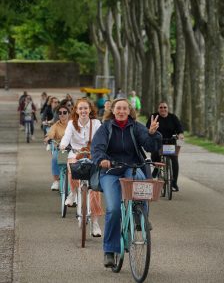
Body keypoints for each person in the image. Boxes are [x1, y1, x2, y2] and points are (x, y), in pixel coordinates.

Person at [91, 98, 162, 267]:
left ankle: (140, 216)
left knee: (140, 180)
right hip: (110, 171)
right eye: (119, 108)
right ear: (113, 111)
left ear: (129, 111)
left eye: (125, 108)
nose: (122, 111)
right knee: (114, 208)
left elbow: (150, 146)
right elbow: (97, 148)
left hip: (132, 166)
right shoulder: (105, 128)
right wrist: (102, 159)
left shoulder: (136, 127)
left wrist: (152, 134)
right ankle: (109, 250)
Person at [60, 98, 104, 237]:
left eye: (86, 108)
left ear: (90, 110)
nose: (83, 111)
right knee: (72, 165)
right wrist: (62, 145)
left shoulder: (96, 123)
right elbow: (66, 138)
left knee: (95, 189)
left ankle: (95, 223)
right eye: (81, 108)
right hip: (76, 154)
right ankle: (73, 192)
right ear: (77, 111)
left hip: (92, 155)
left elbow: (102, 138)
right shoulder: (71, 124)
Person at [146, 101, 184, 192]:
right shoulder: (154, 116)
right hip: (158, 142)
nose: (163, 109)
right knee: (155, 154)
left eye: (165, 107)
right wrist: (151, 132)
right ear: (158, 109)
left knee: (174, 160)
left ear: (167, 109)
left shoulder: (173, 117)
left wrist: (180, 134)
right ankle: (156, 167)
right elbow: (148, 128)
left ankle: (174, 183)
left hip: (170, 142)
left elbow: (179, 129)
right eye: (161, 107)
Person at [44, 105, 70, 191]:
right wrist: (48, 138)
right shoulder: (56, 125)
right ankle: (56, 181)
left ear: (68, 114)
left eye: (65, 112)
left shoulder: (73, 124)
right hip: (60, 149)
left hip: (72, 149)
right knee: (55, 158)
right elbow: (51, 133)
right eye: (60, 113)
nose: (62, 114)